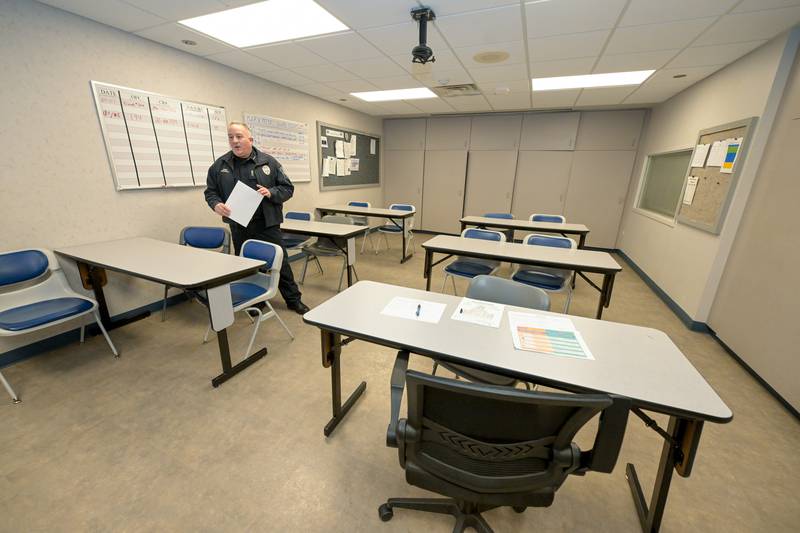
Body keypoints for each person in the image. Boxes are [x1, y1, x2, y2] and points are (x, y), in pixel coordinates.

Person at [204, 122, 310, 315]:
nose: (234, 141)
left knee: (281, 263)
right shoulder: (219, 166)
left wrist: (270, 192)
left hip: (267, 223)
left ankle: (294, 300)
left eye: (239, 136)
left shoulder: (268, 162)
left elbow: (288, 188)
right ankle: (255, 300)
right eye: (230, 137)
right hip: (239, 224)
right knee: (247, 264)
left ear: (250, 139)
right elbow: (210, 192)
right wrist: (216, 205)